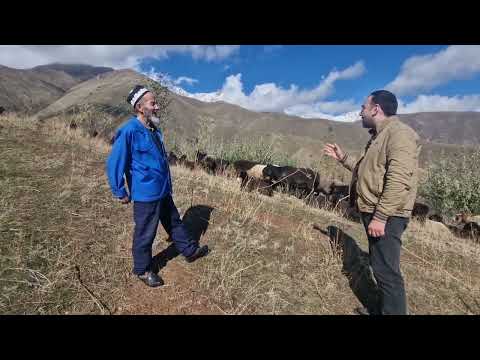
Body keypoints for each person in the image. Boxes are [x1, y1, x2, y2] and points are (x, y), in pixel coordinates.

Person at [323, 90, 421, 315]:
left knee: (387, 271)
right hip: (379, 211)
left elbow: (399, 179)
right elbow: (369, 171)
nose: (360, 113)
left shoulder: (399, 135)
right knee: (380, 266)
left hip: (387, 215)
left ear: (376, 109)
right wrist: (343, 159)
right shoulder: (379, 136)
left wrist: (380, 216)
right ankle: (384, 309)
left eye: (363, 108)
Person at [106, 85, 209, 288]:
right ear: (139, 107)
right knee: (146, 232)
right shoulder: (129, 131)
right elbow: (114, 163)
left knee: (174, 222)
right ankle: (142, 270)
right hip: (146, 193)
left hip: (162, 189)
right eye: (153, 103)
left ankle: (189, 251)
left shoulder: (154, 130)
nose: (157, 107)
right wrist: (120, 190)